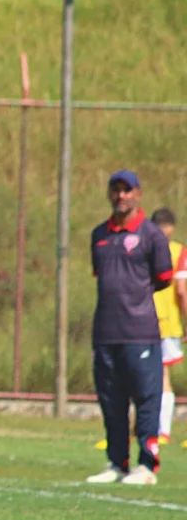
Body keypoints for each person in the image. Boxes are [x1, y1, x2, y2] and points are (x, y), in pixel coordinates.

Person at [86, 170, 171, 486]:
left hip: (141, 333)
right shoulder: (99, 235)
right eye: (115, 190)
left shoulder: (152, 235)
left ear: (138, 193)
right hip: (106, 333)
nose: (121, 196)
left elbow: (162, 279)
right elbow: (101, 276)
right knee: (112, 402)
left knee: (146, 399)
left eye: (127, 190)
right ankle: (116, 463)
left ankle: (146, 466)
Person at [149, 208, 187, 444]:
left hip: (140, 322)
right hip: (167, 323)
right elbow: (182, 291)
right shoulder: (178, 251)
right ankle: (162, 431)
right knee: (162, 377)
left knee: (141, 377)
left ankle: (146, 430)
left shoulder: (144, 248)